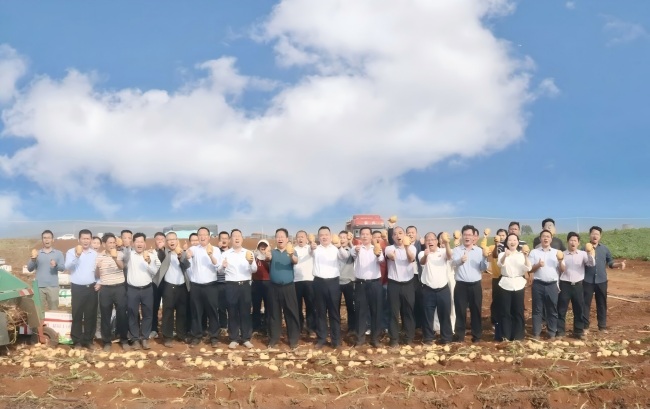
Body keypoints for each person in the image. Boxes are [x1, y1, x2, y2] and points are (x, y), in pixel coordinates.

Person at [583, 226, 626, 333]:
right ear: (590, 235)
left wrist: (619, 264)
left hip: (601, 280)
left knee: (602, 303)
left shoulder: (604, 249)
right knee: (585, 304)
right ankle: (585, 327)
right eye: (593, 233)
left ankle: (602, 326)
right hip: (587, 280)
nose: (595, 236)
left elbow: (610, 263)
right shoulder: (583, 249)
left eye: (597, 234)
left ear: (600, 236)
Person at [310, 226, 347, 349]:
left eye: (326, 235)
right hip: (318, 282)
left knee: (334, 312)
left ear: (330, 236)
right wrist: (311, 247)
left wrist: (339, 246)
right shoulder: (315, 249)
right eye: (321, 235)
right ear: (318, 237)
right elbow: (310, 252)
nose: (324, 237)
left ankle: (336, 340)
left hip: (333, 283)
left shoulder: (336, 249)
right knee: (320, 312)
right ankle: (321, 338)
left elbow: (344, 256)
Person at [220, 229, 257, 349]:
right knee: (232, 312)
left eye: (239, 236)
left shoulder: (248, 253)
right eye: (234, 236)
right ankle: (234, 338)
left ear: (242, 238)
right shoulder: (225, 254)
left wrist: (250, 262)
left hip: (245, 285)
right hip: (231, 285)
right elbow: (219, 271)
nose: (236, 238)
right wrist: (222, 266)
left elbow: (254, 269)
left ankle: (246, 338)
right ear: (231, 239)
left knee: (245, 312)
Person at [451, 225, 488, 343]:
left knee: (476, 310)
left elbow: (483, 268)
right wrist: (460, 260)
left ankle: (477, 335)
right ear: (462, 236)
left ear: (474, 237)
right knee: (460, 310)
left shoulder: (479, 251)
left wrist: (485, 258)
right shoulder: (456, 250)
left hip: (475, 285)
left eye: (470, 235)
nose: (467, 237)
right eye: (465, 234)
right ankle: (459, 335)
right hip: (461, 285)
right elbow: (453, 263)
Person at [348, 227, 384, 347]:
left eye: (367, 234)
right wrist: (355, 250)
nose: (364, 236)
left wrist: (378, 254)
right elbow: (352, 253)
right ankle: (360, 339)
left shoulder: (377, 248)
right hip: (361, 284)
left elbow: (381, 260)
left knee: (376, 311)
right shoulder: (357, 248)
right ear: (360, 236)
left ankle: (375, 339)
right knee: (360, 312)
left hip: (375, 283)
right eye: (362, 234)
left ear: (371, 236)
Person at [186, 227, 222, 347]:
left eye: (204, 235)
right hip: (196, 286)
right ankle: (196, 336)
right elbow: (187, 260)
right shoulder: (193, 249)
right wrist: (187, 255)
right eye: (200, 235)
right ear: (198, 237)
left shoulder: (215, 250)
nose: (202, 237)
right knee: (196, 312)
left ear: (209, 237)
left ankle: (214, 337)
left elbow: (219, 267)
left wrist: (211, 256)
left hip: (211, 286)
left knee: (212, 312)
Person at [123, 233, 160, 350]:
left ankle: (144, 338)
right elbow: (123, 256)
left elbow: (155, 272)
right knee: (132, 314)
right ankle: (135, 339)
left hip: (147, 289)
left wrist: (148, 262)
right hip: (132, 289)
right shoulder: (129, 255)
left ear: (145, 243)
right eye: (137, 241)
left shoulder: (151, 255)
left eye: (141, 241)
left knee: (148, 314)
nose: (139, 244)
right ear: (133, 243)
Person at [64, 229, 99, 349]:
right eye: (83, 238)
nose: (86, 241)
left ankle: (88, 340)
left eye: (88, 238)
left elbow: (98, 270)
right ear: (79, 239)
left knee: (91, 315)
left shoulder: (94, 254)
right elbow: (67, 266)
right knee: (77, 314)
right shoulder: (71, 252)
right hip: (77, 288)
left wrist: (99, 282)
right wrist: (77, 256)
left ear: (91, 240)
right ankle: (77, 340)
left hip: (91, 287)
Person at [155, 232, 191, 347]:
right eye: (169, 240)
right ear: (166, 242)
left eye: (173, 239)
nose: (171, 241)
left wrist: (180, 256)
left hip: (182, 287)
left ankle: (181, 334)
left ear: (177, 241)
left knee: (182, 312)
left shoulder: (183, 253)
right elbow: (160, 257)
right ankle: (167, 337)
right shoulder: (165, 253)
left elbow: (187, 266)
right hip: (169, 287)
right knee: (168, 312)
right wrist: (160, 249)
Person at [267, 228, 301, 349]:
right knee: (274, 314)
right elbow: (267, 259)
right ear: (275, 239)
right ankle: (274, 338)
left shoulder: (292, 251)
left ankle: (293, 340)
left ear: (287, 239)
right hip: (274, 287)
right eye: (278, 236)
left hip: (288, 287)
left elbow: (295, 261)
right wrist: (267, 255)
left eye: (282, 236)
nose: (280, 238)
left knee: (291, 313)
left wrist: (291, 255)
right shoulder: (272, 252)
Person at [557, 232, 595, 339]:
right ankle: (560, 331)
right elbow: (561, 269)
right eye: (571, 240)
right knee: (561, 309)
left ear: (578, 243)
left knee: (579, 309)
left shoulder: (583, 254)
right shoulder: (562, 254)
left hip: (578, 285)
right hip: (565, 284)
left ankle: (578, 331)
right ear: (567, 241)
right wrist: (560, 261)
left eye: (575, 240)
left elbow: (591, 264)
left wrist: (589, 253)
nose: (573, 242)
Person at [528, 229, 565, 339]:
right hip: (538, 284)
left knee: (552, 309)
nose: (545, 238)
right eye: (543, 236)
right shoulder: (534, 252)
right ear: (540, 239)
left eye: (548, 236)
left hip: (552, 285)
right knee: (537, 309)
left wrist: (560, 261)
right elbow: (529, 269)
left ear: (551, 239)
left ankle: (552, 332)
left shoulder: (557, 252)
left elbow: (563, 269)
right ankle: (536, 333)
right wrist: (538, 265)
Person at [95, 233, 129, 351]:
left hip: (119, 287)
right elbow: (97, 275)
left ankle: (124, 339)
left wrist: (115, 258)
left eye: (114, 242)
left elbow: (122, 267)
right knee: (105, 316)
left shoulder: (120, 254)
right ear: (104, 244)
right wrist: (97, 267)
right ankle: (107, 341)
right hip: (105, 288)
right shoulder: (99, 256)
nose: (112, 244)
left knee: (122, 314)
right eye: (110, 242)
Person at [384, 226, 417, 347]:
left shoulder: (412, 247)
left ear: (405, 235)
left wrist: (407, 247)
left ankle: (408, 337)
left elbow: (411, 259)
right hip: (394, 284)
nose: (398, 235)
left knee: (408, 311)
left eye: (400, 233)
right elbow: (390, 256)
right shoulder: (389, 248)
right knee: (393, 312)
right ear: (392, 237)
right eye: (395, 234)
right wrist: (392, 256)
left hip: (408, 284)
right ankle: (394, 339)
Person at [419, 232, 453, 344]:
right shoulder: (422, 253)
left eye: (432, 239)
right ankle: (428, 338)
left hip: (443, 289)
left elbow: (449, 256)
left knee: (445, 314)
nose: (430, 241)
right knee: (427, 315)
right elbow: (422, 262)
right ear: (425, 242)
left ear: (437, 241)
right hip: (428, 289)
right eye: (428, 240)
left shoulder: (442, 251)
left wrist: (447, 243)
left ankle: (446, 338)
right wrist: (426, 255)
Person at [497, 233, 531, 341]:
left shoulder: (521, 255)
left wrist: (525, 256)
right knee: (505, 311)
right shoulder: (502, 254)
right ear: (506, 242)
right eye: (510, 240)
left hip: (518, 283)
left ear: (518, 242)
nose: (512, 242)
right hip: (505, 283)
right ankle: (506, 335)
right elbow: (500, 264)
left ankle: (518, 336)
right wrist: (505, 256)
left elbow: (528, 268)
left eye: (514, 240)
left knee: (518, 310)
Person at [27, 230, 65, 310]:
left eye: (49, 238)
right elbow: (29, 269)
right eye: (44, 238)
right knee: (38, 311)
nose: (46, 240)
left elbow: (62, 268)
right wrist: (33, 260)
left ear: (52, 240)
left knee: (53, 311)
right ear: (42, 240)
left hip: (53, 286)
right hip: (39, 287)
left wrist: (56, 265)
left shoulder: (58, 253)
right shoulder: (37, 253)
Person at [294, 230, 316, 336]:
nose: (300, 239)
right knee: (297, 306)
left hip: (309, 280)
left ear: (306, 238)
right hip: (296, 281)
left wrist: (312, 244)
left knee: (310, 305)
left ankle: (311, 327)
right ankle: (299, 326)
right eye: (298, 237)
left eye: (302, 237)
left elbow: (312, 251)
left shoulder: (310, 248)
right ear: (296, 239)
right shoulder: (293, 250)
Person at [488, 228, 507, 340]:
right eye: (499, 235)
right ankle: (494, 321)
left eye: (503, 235)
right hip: (496, 277)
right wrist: (496, 244)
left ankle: (505, 321)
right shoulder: (492, 247)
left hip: (506, 277)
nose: (501, 237)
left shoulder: (509, 247)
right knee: (496, 300)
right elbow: (493, 255)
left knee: (506, 300)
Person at [337, 231, 356, 336]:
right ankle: (336, 327)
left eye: (344, 237)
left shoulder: (351, 250)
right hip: (336, 282)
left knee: (350, 306)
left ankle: (352, 327)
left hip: (349, 282)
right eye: (341, 237)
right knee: (336, 306)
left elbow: (355, 253)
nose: (342, 239)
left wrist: (351, 242)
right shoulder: (334, 250)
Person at [251, 240, 271, 334]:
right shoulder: (254, 256)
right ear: (258, 247)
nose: (263, 247)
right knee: (256, 306)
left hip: (268, 283)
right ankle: (256, 326)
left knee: (268, 306)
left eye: (265, 246)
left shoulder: (270, 256)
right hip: (256, 283)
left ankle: (267, 326)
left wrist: (268, 258)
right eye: (261, 245)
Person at [150, 231, 167, 340]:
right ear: (154, 241)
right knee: (154, 307)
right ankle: (154, 329)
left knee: (168, 307)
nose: (160, 241)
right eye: (158, 239)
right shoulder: (151, 253)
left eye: (162, 239)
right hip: (155, 284)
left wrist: (162, 250)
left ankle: (167, 330)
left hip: (167, 283)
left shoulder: (169, 252)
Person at [216, 231, 231, 336]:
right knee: (221, 306)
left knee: (232, 306)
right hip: (219, 283)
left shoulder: (232, 252)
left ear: (229, 240)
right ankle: (223, 326)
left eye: (226, 238)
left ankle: (233, 326)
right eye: (222, 238)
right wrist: (217, 249)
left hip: (230, 283)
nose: (224, 240)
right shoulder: (216, 252)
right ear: (219, 240)